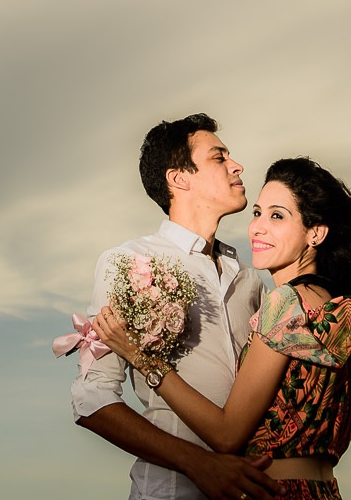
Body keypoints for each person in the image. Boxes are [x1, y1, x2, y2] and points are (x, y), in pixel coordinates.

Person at [96, 157, 351, 500]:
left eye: (277, 216)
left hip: (274, 492)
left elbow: (226, 435)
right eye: (257, 213)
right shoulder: (332, 303)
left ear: (315, 232)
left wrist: (143, 360)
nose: (258, 228)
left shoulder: (284, 303)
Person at [71, 113, 282, 500]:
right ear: (179, 178)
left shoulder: (251, 279)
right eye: (219, 158)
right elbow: (91, 398)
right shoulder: (129, 262)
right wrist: (198, 464)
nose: (237, 166)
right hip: (170, 492)